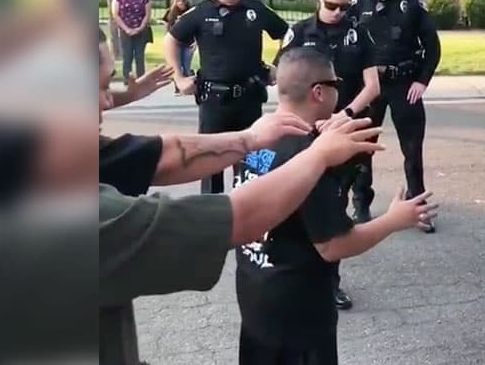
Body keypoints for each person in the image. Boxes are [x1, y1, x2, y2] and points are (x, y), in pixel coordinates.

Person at [99, 32, 387, 365]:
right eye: (100, 88)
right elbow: (242, 219)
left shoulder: (264, 139)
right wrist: (393, 215)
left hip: (258, 307)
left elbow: (161, 155)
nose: (108, 102)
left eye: (109, 87)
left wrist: (249, 139)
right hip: (300, 319)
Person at [234, 47, 438, 365]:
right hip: (298, 314)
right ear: (319, 92)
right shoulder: (311, 159)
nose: (339, 90)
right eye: (336, 83)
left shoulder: (257, 134)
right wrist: (395, 219)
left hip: (255, 297)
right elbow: (333, 245)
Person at [274, 0, 381, 310]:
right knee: (295, 203)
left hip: (340, 131)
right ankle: (293, 275)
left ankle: (329, 283)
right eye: (332, 5)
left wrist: (345, 114)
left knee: (333, 209)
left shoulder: (359, 33)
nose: (338, 13)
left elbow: (373, 86)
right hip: (302, 131)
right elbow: (283, 82)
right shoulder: (299, 33)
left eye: (345, 7)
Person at [163, 0, 289, 194]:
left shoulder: (255, 9)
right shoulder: (201, 12)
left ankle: (253, 205)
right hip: (214, 100)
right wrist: (179, 78)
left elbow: (288, 34)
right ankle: (211, 210)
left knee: (255, 161)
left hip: (249, 98)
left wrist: (278, 66)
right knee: (209, 161)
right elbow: (171, 40)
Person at [347, 0, 441, 231]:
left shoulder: (411, 3)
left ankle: (418, 207)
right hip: (371, 87)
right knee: (363, 148)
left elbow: (432, 47)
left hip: (404, 84)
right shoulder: (359, 4)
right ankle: (360, 204)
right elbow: (349, 42)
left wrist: (422, 81)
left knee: (412, 150)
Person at [111, 0, 152, 84]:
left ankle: (141, 80)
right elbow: (115, 14)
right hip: (125, 31)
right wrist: (126, 29)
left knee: (139, 56)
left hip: (140, 31)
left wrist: (140, 28)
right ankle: (127, 80)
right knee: (127, 56)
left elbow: (147, 14)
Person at [161, 0, 195, 95]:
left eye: (182, 1)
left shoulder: (190, 11)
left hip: (188, 43)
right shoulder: (171, 12)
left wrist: (195, 42)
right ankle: (178, 87)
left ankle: (188, 86)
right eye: (178, 1)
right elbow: (166, 24)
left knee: (186, 66)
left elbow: (196, 27)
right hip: (175, 44)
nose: (180, 3)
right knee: (176, 66)